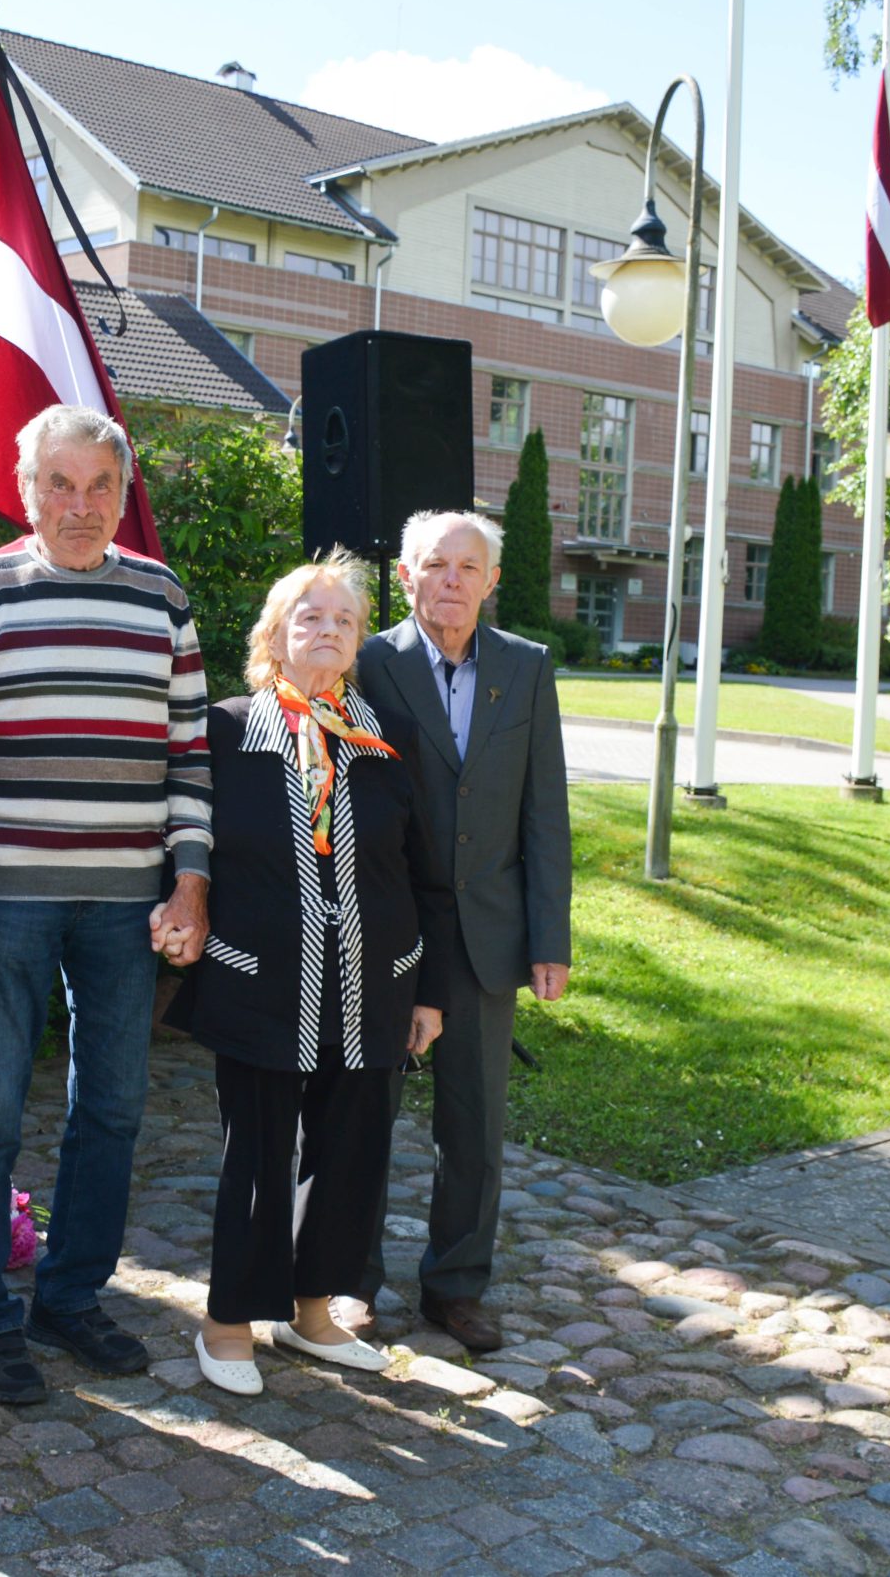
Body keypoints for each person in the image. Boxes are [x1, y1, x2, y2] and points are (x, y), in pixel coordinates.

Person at [0, 403, 213, 1404]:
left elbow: (190, 754)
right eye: (59, 484)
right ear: (25, 488)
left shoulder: (162, 597)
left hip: (126, 906)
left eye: (100, 487)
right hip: (4, 902)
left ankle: (72, 1295)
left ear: (124, 495)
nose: (80, 506)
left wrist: (191, 879)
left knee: (112, 1110)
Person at [172, 553, 454, 1398]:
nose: (327, 630)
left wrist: (430, 991)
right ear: (274, 636)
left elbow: (427, 873)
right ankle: (228, 1323)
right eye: (309, 617)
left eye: (342, 620)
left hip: (375, 982)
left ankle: (314, 1313)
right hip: (260, 979)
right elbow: (185, 842)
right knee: (257, 1155)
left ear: (359, 640)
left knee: (350, 1155)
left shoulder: (386, 738)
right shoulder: (226, 731)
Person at [348, 509, 572, 1354]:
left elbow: (544, 809)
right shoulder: (369, 661)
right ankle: (351, 1281)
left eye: (467, 567)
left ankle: (456, 1286)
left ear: (492, 581)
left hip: (489, 932)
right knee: (365, 1113)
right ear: (406, 575)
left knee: (474, 1127)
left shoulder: (527, 666)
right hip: (389, 923)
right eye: (435, 564)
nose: (451, 580)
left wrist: (549, 937)